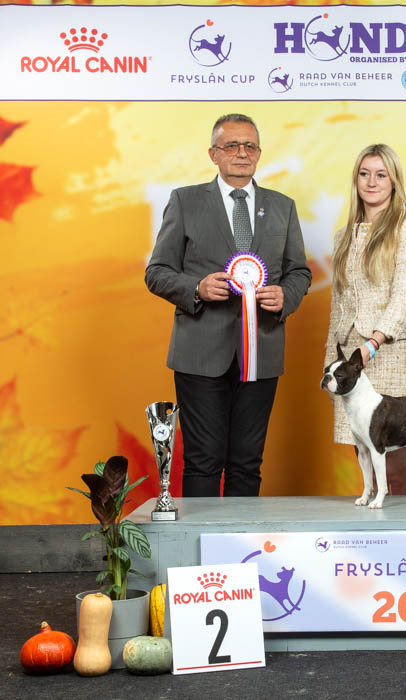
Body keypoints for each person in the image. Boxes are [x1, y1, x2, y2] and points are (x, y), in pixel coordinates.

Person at [146, 113, 311, 497]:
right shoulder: (185, 201)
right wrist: (196, 288)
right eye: (231, 145)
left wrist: (286, 296)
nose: (242, 153)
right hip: (200, 353)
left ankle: (240, 537)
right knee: (203, 459)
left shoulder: (283, 206)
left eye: (250, 146)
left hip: (262, 351)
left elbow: (299, 272)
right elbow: (157, 272)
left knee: (247, 462)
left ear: (259, 153)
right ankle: (200, 538)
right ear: (213, 154)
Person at [324, 144, 406, 495]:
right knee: (366, 461)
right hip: (351, 359)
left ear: (394, 180)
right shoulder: (344, 236)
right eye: (364, 174)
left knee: (397, 464)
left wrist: (374, 341)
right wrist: (331, 364)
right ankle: (378, 525)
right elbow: (339, 308)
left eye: (381, 174)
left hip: (393, 351)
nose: (371, 182)